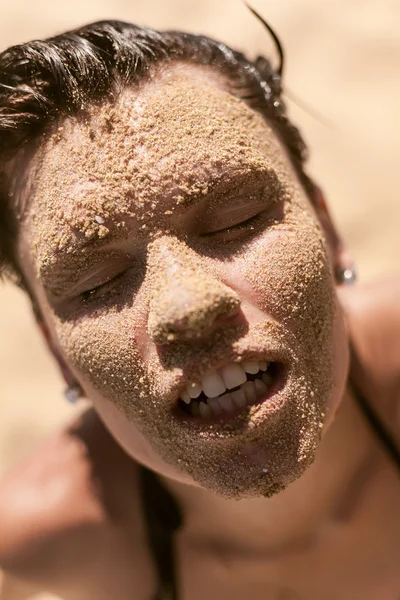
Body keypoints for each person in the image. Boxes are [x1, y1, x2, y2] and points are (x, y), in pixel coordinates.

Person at [0, 18, 399, 600]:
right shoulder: (46, 541)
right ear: (57, 351)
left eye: (238, 220)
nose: (188, 305)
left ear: (328, 230)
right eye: (96, 283)